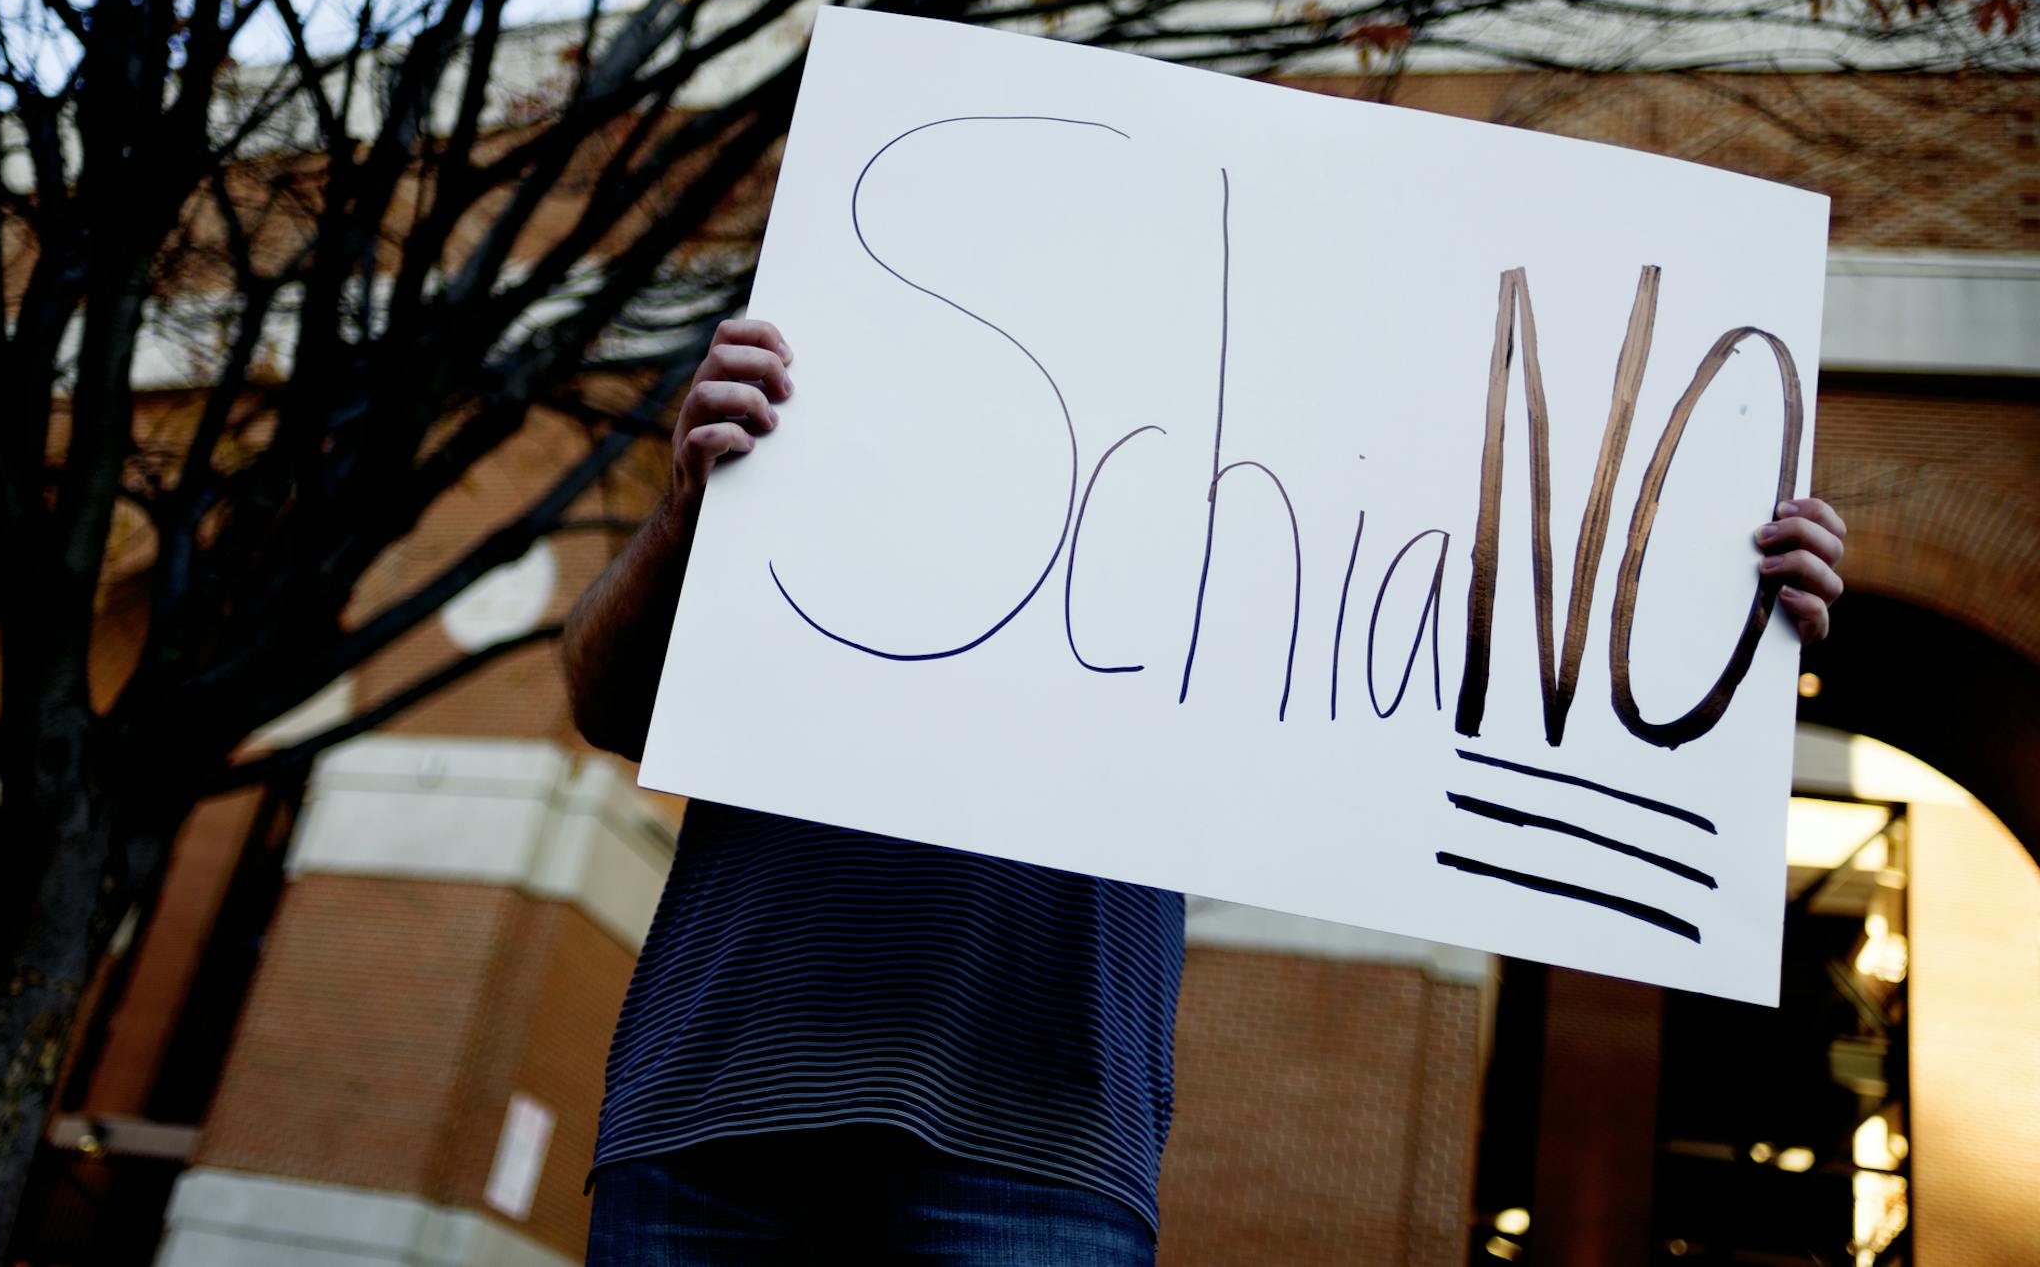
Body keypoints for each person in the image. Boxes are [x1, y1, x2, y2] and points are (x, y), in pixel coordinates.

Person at [560, 317, 1848, 1265]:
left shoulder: (1259, 523)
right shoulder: (834, 407)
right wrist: (688, 514)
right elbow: (609, 702)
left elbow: (1465, 695)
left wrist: (1711, 602)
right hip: (719, 1107)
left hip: (1043, 1151)